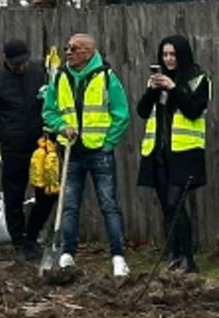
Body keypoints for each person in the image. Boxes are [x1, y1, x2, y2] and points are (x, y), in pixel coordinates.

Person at [43, 33, 131, 278]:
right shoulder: (60, 77)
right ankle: (67, 254)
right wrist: (61, 126)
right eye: (66, 48)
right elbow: (48, 111)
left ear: (88, 53)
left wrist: (108, 143)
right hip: (71, 152)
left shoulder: (106, 77)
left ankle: (118, 257)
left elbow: (121, 114)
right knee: (69, 206)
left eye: (73, 49)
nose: (68, 52)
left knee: (108, 205)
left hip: (99, 152)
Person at [136, 35, 209, 272]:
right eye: (165, 54)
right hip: (159, 153)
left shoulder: (199, 80)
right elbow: (142, 111)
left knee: (175, 202)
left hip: (184, 153)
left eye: (172, 54)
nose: (168, 59)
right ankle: (173, 256)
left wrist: (173, 88)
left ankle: (188, 258)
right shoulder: (157, 82)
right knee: (166, 207)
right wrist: (153, 90)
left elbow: (193, 110)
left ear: (182, 55)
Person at [0, 38, 55, 262]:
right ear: (6, 61)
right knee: (13, 197)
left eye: (23, 62)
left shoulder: (41, 72)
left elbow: (53, 104)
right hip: (12, 145)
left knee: (48, 193)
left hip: (41, 146)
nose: (20, 67)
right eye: (15, 64)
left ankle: (32, 234)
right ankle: (19, 242)